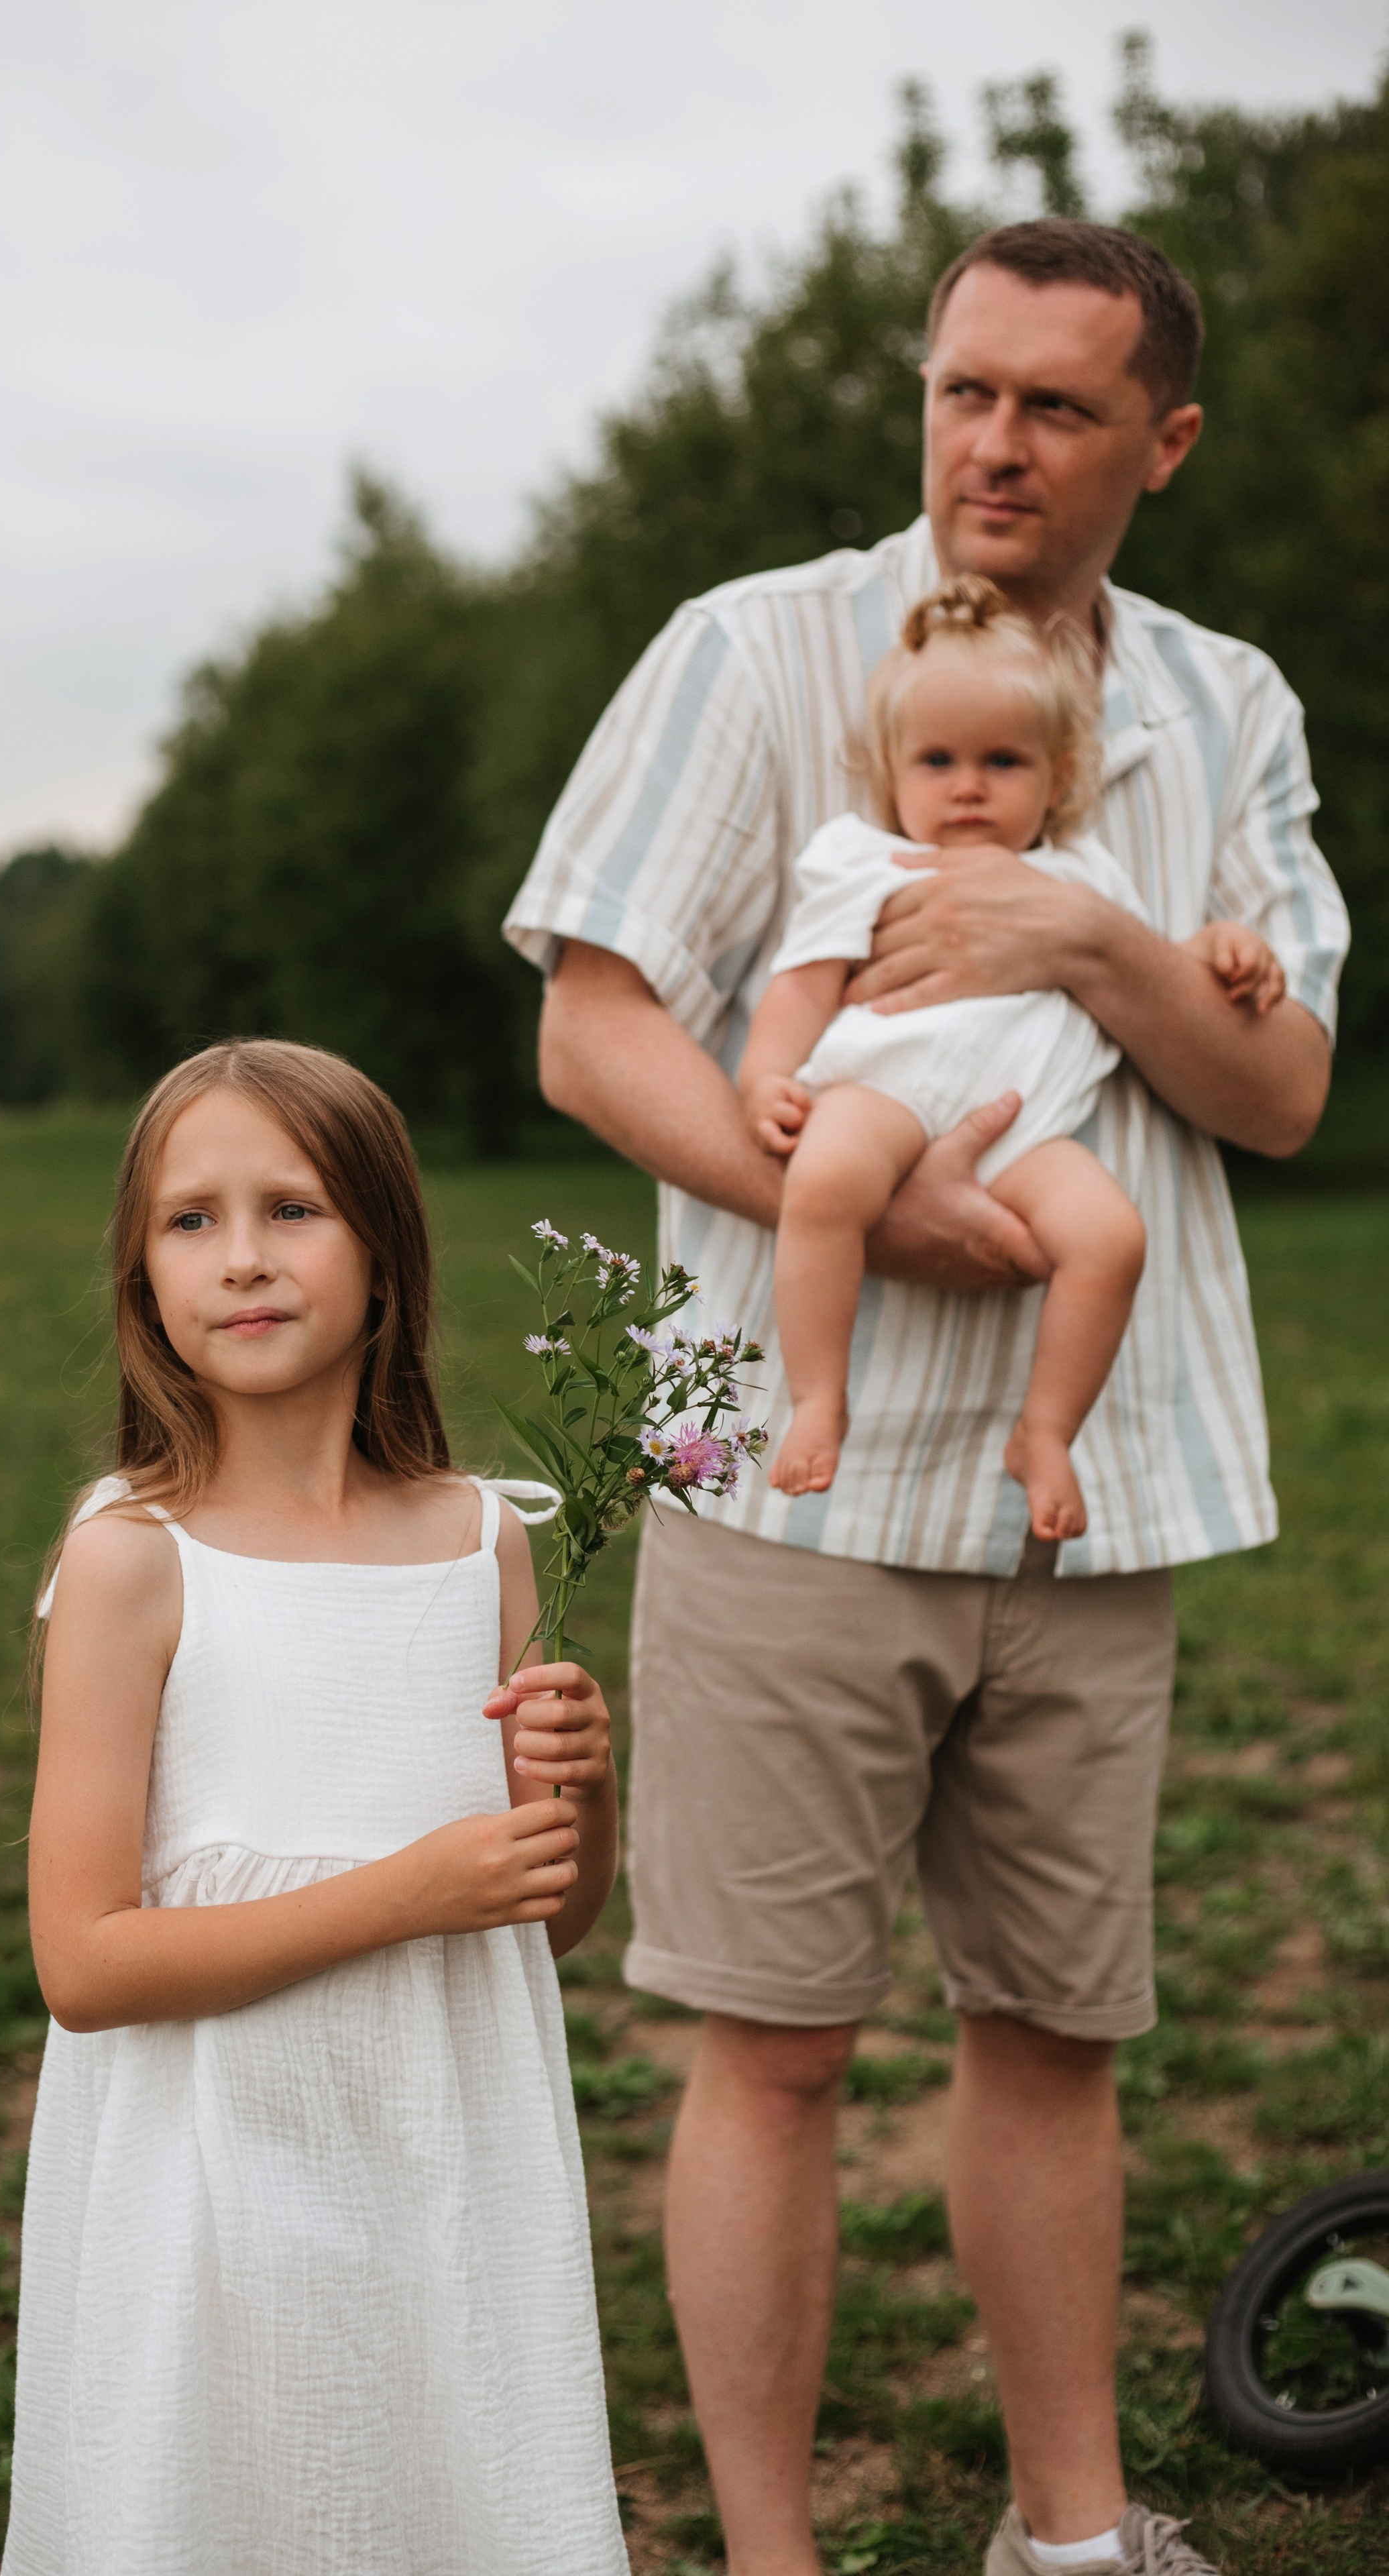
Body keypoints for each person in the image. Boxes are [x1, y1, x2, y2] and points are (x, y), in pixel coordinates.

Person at [505, 219, 1349, 2576]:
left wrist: (1085, 934)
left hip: (1099, 1497)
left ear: (1160, 445)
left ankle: (1070, 2536)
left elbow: (1280, 1094)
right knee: (774, 2044)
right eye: (965, 389)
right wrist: (853, 1206)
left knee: (1056, 2036)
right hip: (806, 1484)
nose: (995, 443)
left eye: (1059, 407)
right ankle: (774, 2561)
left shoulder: (1228, 707)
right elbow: (594, 1023)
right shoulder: (755, 650)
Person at [2, 1038, 628, 2576]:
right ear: (142, 1276)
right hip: (216, 2182)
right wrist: (406, 1892)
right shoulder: (133, 1557)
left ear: (384, 1251)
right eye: (189, 1221)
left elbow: (543, 1928)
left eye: (291, 1209)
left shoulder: (483, 1540)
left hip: (444, 2162)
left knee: (436, 2488)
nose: (242, 1261)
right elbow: (82, 1966)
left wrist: (582, 1792)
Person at [742, 572, 1284, 1535]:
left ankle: (1045, 1433)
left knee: (1111, 1237)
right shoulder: (863, 859)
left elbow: (1146, 955)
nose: (968, 786)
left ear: (1058, 775)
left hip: (1028, 1117)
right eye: (938, 760)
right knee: (824, 1181)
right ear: (891, 772)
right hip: (886, 1088)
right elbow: (803, 979)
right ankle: (819, 1396)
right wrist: (764, 1075)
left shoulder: (1080, 873)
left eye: (1003, 761)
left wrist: (1218, 952)